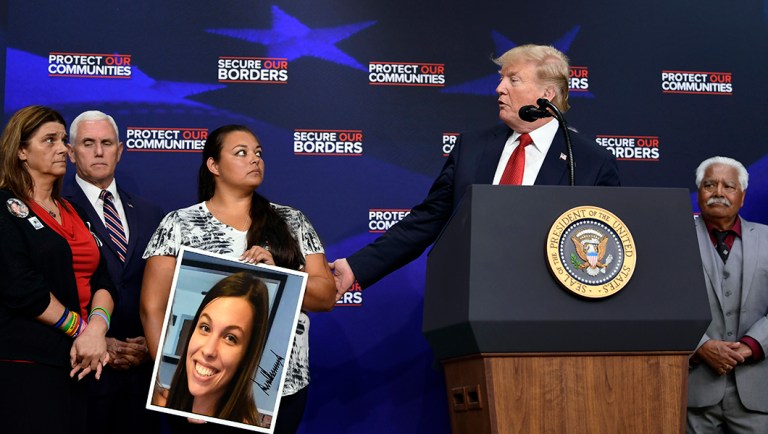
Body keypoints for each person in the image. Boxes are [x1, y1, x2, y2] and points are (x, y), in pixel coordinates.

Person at [330, 44, 620, 295]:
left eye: (513, 79)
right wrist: (357, 266)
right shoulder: (472, 148)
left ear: (547, 94)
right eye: (501, 78)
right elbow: (427, 220)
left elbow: (606, 248)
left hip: (548, 310)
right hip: (468, 302)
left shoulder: (589, 162)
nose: (499, 88)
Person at [141, 124, 336, 433]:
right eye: (241, 153)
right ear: (214, 165)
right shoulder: (179, 224)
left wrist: (280, 273)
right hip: (201, 393)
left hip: (279, 391)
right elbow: (153, 307)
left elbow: (326, 296)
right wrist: (170, 384)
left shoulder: (292, 221)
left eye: (258, 153)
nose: (254, 160)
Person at [0, 105, 117, 433]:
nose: (62, 148)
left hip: (81, 362)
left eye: (64, 140)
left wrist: (96, 330)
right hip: (27, 364)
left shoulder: (75, 210)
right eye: (49, 140)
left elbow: (103, 278)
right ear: (22, 151)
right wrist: (83, 332)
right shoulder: (5, 208)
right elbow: (23, 290)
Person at [63, 110, 165, 434]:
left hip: (141, 373)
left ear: (120, 150)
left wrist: (152, 344)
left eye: (106, 143)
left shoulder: (150, 213)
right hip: (82, 369)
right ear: (70, 152)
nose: (98, 151)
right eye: (88, 143)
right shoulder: (57, 209)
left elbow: (165, 289)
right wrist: (95, 338)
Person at [687, 156, 768, 433]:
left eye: (728, 186)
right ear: (699, 193)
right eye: (710, 185)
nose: (718, 193)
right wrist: (701, 347)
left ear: (742, 196)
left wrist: (752, 345)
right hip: (693, 393)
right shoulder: (674, 237)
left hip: (756, 395)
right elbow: (660, 303)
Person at [154, 272, 270, 427]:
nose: (209, 350)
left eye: (230, 338)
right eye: (205, 327)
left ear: (246, 356)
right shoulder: (165, 404)